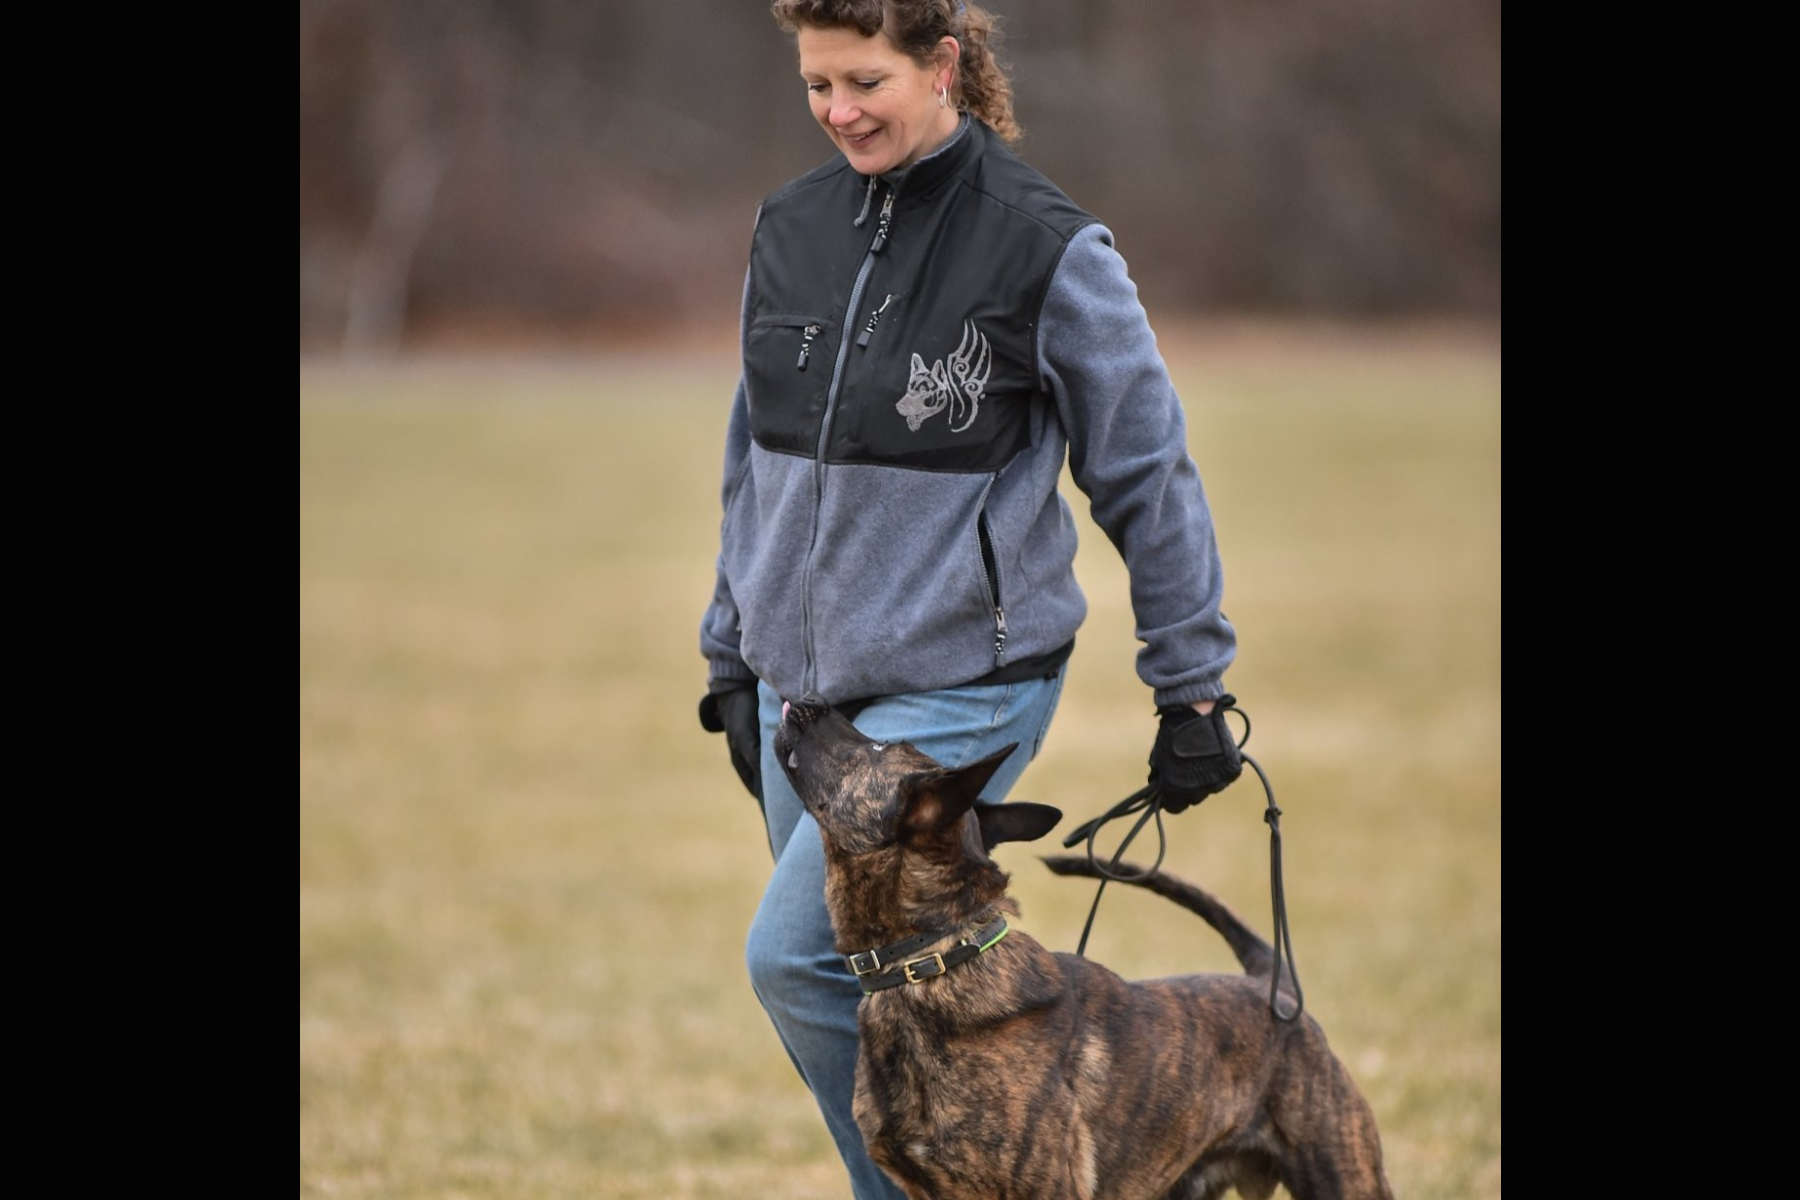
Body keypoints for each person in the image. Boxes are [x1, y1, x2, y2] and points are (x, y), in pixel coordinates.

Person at [697, 2, 1244, 1195]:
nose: (839, 111)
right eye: (816, 87)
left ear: (944, 64)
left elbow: (1147, 471)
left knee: (800, 964)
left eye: (864, 80)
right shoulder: (788, 227)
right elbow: (755, 458)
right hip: (809, 710)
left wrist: (1192, 683)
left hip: (962, 687)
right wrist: (730, 655)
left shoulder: (1048, 248)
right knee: (894, 1008)